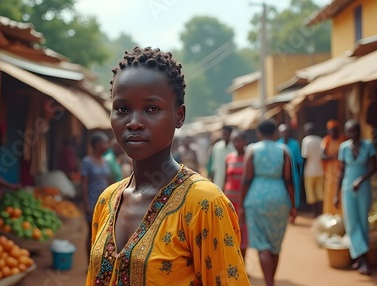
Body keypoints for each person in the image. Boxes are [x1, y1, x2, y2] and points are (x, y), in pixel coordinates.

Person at [86, 47, 250, 285]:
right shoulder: (107, 201)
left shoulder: (203, 204)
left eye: (152, 109)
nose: (133, 123)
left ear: (179, 116)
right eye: (122, 109)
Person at [240, 119, 297, 286]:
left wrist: (242, 204)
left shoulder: (252, 149)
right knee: (275, 245)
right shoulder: (284, 150)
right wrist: (293, 206)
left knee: (262, 245)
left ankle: (269, 283)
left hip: (256, 198)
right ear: (275, 133)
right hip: (279, 197)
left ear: (258, 133)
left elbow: (246, 179)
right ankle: (270, 282)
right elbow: (289, 180)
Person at [335, 120, 377, 275]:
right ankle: (361, 258)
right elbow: (341, 171)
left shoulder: (368, 146)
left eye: (355, 131)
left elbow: (374, 167)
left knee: (362, 222)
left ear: (360, 131)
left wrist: (361, 179)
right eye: (350, 132)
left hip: (363, 188)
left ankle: (362, 259)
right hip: (347, 189)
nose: (353, 135)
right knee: (351, 223)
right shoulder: (344, 147)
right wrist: (336, 193)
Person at [81, 131, 113, 262]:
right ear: (96, 144)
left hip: (105, 203)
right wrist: (86, 204)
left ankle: (98, 260)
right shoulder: (87, 161)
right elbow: (84, 184)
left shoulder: (105, 161)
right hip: (92, 202)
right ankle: (89, 263)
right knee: (91, 233)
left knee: (103, 233)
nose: (106, 145)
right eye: (104, 142)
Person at [223, 129, 248, 259]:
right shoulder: (229, 158)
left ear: (245, 141)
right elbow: (225, 179)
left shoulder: (249, 158)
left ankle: (243, 263)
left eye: (239, 140)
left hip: (243, 200)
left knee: (243, 231)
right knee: (230, 229)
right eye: (234, 141)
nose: (236, 143)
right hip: (229, 199)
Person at [321, 120, 346, 215]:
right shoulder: (326, 140)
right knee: (330, 192)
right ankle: (329, 214)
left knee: (341, 192)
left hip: (341, 169)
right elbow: (322, 155)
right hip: (330, 171)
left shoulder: (343, 139)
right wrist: (333, 157)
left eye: (335, 130)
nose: (333, 132)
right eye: (331, 130)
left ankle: (341, 216)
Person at [301, 123, 324, 217]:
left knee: (310, 192)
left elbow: (304, 156)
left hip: (309, 171)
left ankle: (314, 212)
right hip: (320, 170)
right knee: (320, 191)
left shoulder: (306, 141)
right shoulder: (320, 140)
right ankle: (321, 211)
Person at [278, 123, 303, 209]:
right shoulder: (277, 145)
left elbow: (299, 161)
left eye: (286, 132)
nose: (284, 134)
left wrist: (300, 174)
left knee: (293, 190)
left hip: (293, 172)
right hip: (280, 173)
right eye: (282, 132)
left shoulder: (295, 144)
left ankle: (294, 207)